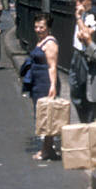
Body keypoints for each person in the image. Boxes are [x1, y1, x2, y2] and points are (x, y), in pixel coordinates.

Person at [27, 13, 60, 160]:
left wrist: (52, 85)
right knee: (42, 115)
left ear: (48, 28)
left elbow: (52, 66)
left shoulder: (50, 43)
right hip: (37, 81)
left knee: (46, 116)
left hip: (45, 82)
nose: (38, 30)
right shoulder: (41, 41)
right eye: (36, 27)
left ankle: (46, 150)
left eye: (41, 27)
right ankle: (48, 148)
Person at [69, 0, 96, 122]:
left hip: (86, 56)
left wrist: (78, 19)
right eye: (77, 1)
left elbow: (85, 36)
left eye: (82, 1)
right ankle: (84, 121)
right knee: (75, 90)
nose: (79, 4)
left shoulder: (92, 15)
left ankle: (88, 122)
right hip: (76, 54)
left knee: (83, 92)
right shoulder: (82, 13)